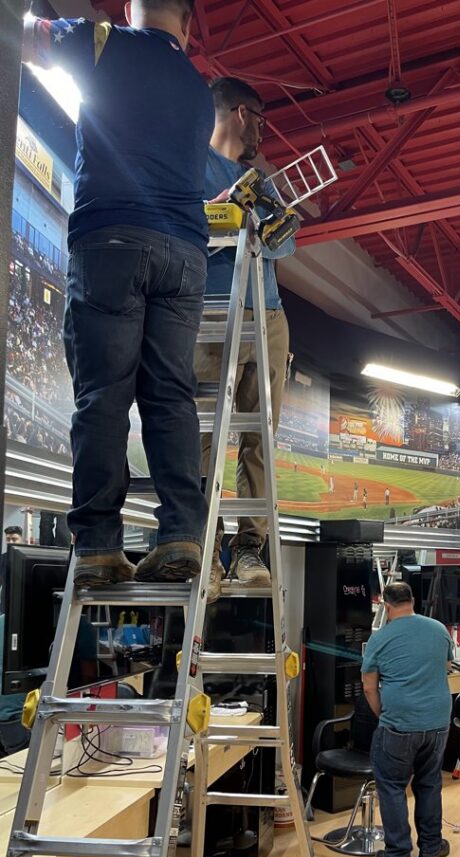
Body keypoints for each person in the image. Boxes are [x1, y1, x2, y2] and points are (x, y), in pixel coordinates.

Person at [23, 0, 213, 588]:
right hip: (185, 252)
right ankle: (181, 535)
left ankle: (100, 546)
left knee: (104, 396)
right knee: (171, 397)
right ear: (187, 21)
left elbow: (25, 34)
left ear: (134, 7)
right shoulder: (199, 88)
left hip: (111, 239)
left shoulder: (102, 41)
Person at [196, 77, 295, 601]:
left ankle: (249, 549)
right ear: (239, 113)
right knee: (207, 437)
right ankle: (205, 551)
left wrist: (272, 224)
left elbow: (287, 245)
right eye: (259, 116)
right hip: (212, 314)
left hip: (269, 314)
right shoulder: (189, 164)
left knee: (261, 436)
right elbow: (186, 231)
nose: (261, 127)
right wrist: (224, 214)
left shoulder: (263, 179)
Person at [361, 582, 453, 857]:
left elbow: (368, 687)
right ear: (412, 601)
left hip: (400, 723)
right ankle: (430, 847)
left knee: (391, 787)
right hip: (438, 722)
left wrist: (383, 715)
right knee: (429, 783)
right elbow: (446, 667)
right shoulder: (439, 629)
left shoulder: (380, 638)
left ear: (385, 606)